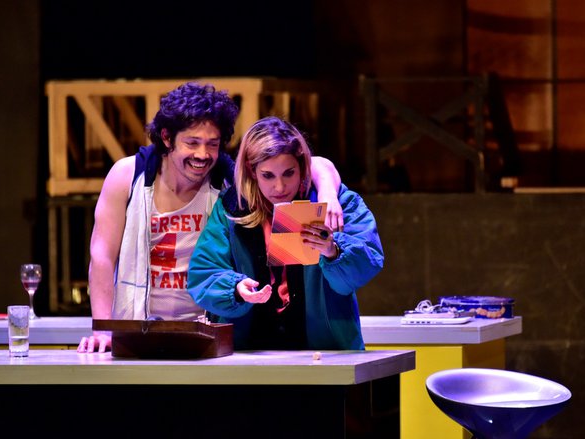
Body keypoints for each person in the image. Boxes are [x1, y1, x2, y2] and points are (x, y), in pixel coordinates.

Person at [78, 83, 344, 353]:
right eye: (192, 143)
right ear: (167, 138)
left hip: (204, 334)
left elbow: (310, 162)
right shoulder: (129, 175)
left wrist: (327, 193)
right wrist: (103, 329)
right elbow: (101, 256)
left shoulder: (227, 181)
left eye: (212, 144)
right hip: (135, 331)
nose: (203, 154)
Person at [187, 116, 384, 350]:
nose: (279, 187)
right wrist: (235, 289)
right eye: (268, 175)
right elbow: (203, 274)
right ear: (251, 170)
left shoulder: (335, 203)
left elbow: (368, 263)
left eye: (289, 173)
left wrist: (333, 251)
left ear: (302, 166)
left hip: (327, 352)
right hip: (248, 353)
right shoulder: (231, 209)